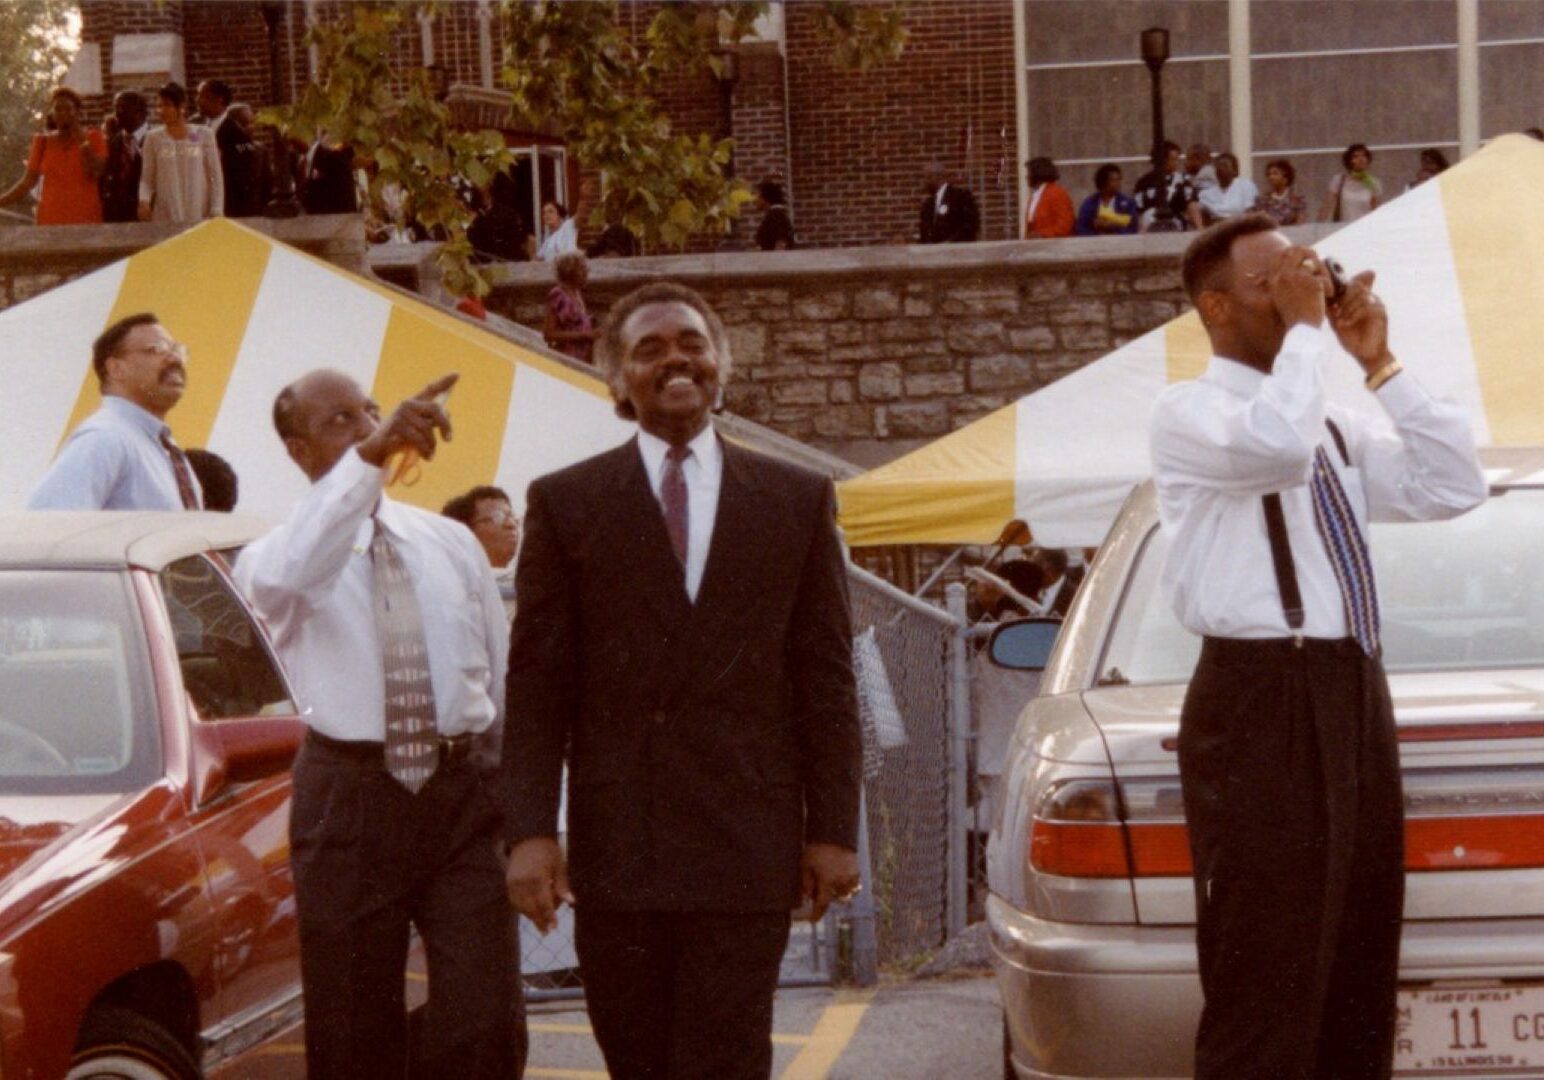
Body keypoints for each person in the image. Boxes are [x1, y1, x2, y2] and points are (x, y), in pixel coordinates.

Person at [1148, 213, 1486, 1078]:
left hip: (1349, 685)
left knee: (1356, 959)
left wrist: (1379, 362)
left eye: (1304, 270)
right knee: (1267, 972)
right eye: (1272, 280)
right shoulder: (1189, 413)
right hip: (1260, 696)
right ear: (1216, 307)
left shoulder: (1333, 420)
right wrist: (1307, 336)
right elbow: (1274, 447)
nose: (1301, 289)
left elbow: (1453, 485)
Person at [503, 281, 862, 1080]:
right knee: (638, 1059)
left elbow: (827, 679)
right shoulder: (567, 503)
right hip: (622, 846)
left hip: (745, 841)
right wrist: (529, 831)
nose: (676, 361)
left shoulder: (796, 499)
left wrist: (834, 829)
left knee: (728, 1058)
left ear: (720, 365)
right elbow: (537, 684)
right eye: (651, 348)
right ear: (618, 380)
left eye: (692, 344)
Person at [234, 369, 524, 1080]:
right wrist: (368, 465)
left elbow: (500, 674)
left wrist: (528, 813)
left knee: (483, 1015)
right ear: (300, 451)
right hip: (353, 798)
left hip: (462, 793)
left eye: (369, 412)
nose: (370, 428)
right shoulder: (274, 559)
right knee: (354, 1017)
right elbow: (297, 570)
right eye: (342, 422)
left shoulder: (450, 545)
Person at [29, 313, 203, 511]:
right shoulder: (105, 438)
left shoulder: (160, 447)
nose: (174, 358)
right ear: (117, 369)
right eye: (157, 349)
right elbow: (53, 525)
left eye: (177, 350)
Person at [0, 86, 106, 225]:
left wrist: (82, 141)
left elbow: (95, 172)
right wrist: (2, 201)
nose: (62, 113)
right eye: (58, 109)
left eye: (68, 108)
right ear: (52, 113)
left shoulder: (95, 137)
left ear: (77, 112)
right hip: (50, 218)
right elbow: (27, 182)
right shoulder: (42, 141)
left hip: (85, 218)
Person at [138, 81, 223, 223]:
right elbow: (147, 178)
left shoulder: (203, 134)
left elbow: (214, 175)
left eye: (167, 105)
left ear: (181, 107)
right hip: (166, 212)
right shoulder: (153, 137)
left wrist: (216, 209)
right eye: (159, 106)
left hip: (199, 211)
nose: (161, 110)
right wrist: (144, 201)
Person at [443, 485, 520, 619]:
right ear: (464, 532)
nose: (511, 525)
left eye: (512, 517)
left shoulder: (535, 587)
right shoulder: (449, 595)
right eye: (497, 517)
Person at [196, 79, 261, 217]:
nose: (198, 101)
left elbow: (244, 178)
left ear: (219, 100)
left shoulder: (238, 136)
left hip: (227, 208)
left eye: (203, 96)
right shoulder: (198, 127)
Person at [99, 90, 148, 223]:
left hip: (145, 217)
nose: (117, 113)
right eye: (116, 108)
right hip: (116, 219)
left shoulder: (154, 140)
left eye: (123, 108)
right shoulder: (111, 144)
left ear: (140, 112)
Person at [1134, 141, 1202, 232]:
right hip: (1149, 225)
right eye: (1173, 160)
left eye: (1177, 159)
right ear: (1162, 160)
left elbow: (1191, 203)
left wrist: (1199, 227)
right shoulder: (1144, 182)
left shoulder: (1182, 180)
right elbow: (1139, 209)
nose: (1176, 163)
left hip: (1174, 223)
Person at [543, 252, 595, 363]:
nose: (587, 272)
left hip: (582, 359)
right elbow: (549, 334)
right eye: (582, 269)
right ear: (569, 272)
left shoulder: (577, 293)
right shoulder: (558, 295)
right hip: (566, 359)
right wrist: (584, 335)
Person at [919, 160, 980, 243]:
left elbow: (971, 225)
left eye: (927, 177)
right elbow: (925, 233)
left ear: (938, 176)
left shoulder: (961, 196)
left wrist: (950, 243)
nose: (924, 182)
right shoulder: (927, 205)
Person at [1322, 142, 1382, 224]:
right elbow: (1327, 206)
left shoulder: (1373, 183)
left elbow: (1375, 210)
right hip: (1343, 228)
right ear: (1350, 161)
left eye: (1364, 155)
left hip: (1365, 228)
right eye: (1356, 156)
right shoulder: (1339, 180)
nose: (1361, 159)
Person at [1074, 164, 1139, 236]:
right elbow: (1081, 228)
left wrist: (1114, 226)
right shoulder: (1090, 203)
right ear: (1103, 182)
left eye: (1119, 180)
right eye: (1113, 180)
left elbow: (1133, 229)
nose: (1118, 183)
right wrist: (1095, 229)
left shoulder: (1128, 203)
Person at [1198, 152, 1259, 224]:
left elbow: (1250, 213)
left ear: (1235, 171)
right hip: (1216, 231)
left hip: (1242, 228)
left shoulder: (1246, 186)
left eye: (1225, 166)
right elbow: (1205, 221)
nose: (1220, 169)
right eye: (1218, 166)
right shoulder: (1206, 194)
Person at [1022, 157, 1074, 239]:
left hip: (1055, 246)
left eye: (1029, 173)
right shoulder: (1035, 195)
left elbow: (1065, 225)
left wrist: (1042, 234)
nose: (1026, 177)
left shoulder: (1057, 193)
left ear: (1037, 174)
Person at [1252, 157, 1307, 227]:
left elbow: (1301, 221)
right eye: (1269, 174)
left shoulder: (1297, 199)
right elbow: (1260, 223)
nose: (1271, 177)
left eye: (1275, 173)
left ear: (1285, 177)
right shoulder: (1262, 200)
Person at [754, 177, 796, 251]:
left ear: (765, 198)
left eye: (759, 196)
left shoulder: (776, 216)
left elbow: (781, 243)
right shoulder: (776, 215)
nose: (756, 199)